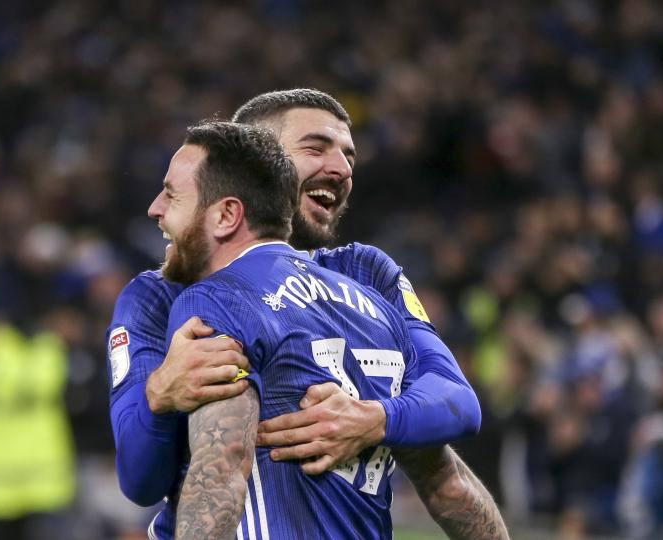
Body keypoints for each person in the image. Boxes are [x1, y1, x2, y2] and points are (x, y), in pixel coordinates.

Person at [107, 90, 506, 539]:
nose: (342, 169)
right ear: (258, 160)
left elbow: (454, 403)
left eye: (349, 155)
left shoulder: (365, 273)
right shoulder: (161, 296)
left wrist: (374, 418)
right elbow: (144, 481)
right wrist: (158, 394)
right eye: (316, 148)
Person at [158, 119, 431, 538]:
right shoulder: (376, 306)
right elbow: (450, 477)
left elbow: (221, 470)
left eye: (173, 195)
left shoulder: (220, 297)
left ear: (227, 213)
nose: (156, 208)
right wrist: (385, 417)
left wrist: (156, 393)